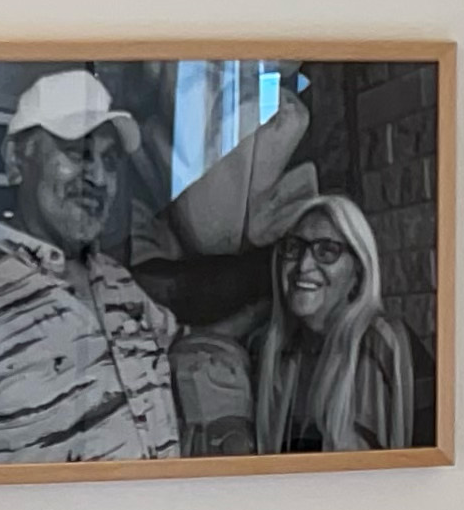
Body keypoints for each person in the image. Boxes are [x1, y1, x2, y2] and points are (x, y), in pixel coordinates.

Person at [0, 69, 184, 466]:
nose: (99, 177)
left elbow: (182, 342)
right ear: (17, 161)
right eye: (77, 152)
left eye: (109, 161)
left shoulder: (120, 285)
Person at [179, 192, 424, 457]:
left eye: (327, 251)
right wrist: (260, 312)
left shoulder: (381, 343)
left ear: (358, 272)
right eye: (294, 248)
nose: (304, 265)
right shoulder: (274, 351)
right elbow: (192, 348)